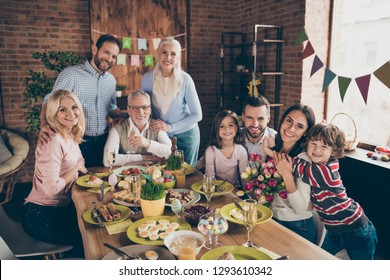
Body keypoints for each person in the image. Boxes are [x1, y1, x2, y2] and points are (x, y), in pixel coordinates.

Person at [274, 123, 378, 259]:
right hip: (333, 230)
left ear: (333, 151)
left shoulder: (325, 171)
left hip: (357, 229)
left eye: (324, 146)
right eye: (313, 144)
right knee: (319, 258)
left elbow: (292, 163)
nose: (317, 150)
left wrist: (271, 151)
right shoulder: (317, 168)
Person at [40, 34, 127, 167]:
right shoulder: (71, 74)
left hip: (103, 140)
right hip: (76, 140)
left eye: (114, 56)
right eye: (106, 52)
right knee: (75, 181)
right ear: (94, 49)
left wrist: (126, 116)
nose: (109, 59)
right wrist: (44, 124)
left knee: (99, 181)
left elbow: (111, 108)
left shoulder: (111, 80)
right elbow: (50, 100)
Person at [22, 90, 87, 258]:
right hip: (39, 214)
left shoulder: (69, 135)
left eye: (74, 107)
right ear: (53, 114)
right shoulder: (53, 140)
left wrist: (74, 172)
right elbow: (51, 189)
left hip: (58, 209)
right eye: (62, 109)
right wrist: (74, 171)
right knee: (86, 240)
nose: (71, 113)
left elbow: (82, 162)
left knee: (89, 226)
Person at [140, 38, 202, 166]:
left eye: (173, 54)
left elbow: (197, 115)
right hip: (162, 137)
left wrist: (169, 127)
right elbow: (142, 107)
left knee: (187, 174)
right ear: (158, 54)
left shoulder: (185, 80)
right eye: (164, 52)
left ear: (178, 57)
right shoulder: (147, 79)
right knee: (165, 173)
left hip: (187, 136)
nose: (168, 57)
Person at [263, 104, 317, 243]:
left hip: (296, 225)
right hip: (272, 218)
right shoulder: (276, 148)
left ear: (305, 132)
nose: (291, 128)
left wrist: (287, 175)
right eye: (289, 120)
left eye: (299, 126)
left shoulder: (304, 160)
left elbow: (300, 208)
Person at [103, 90, 172, 167]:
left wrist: (148, 143)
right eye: (135, 108)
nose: (141, 112)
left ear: (150, 109)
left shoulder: (157, 125)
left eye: (145, 107)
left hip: (153, 175)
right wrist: (141, 158)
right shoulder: (118, 127)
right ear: (128, 110)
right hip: (126, 176)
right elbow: (107, 160)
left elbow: (169, 152)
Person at [204, 110, 248, 188]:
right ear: (216, 130)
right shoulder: (211, 151)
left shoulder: (241, 151)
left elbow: (244, 178)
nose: (226, 129)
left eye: (230, 125)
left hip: (235, 190)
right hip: (216, 189)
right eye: (221, 126)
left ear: (237, 128)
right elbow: (210, 180)